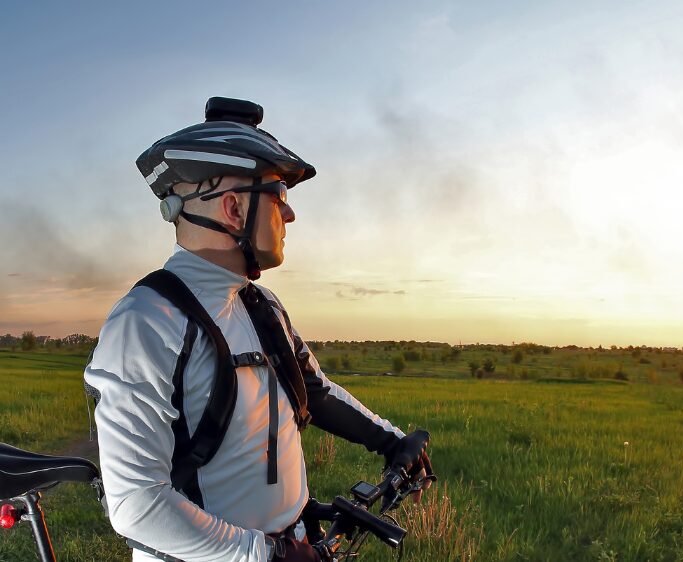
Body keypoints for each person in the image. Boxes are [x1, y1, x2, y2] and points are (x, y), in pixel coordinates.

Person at [83, 97, 433, 562]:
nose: (289, 216)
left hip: (293, 542)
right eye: (279, 197)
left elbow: (315, 391)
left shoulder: (261, 304)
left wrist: (391, 441)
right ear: (232, 209)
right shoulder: (146, 322)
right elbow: (136, 506)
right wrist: (264, 555)